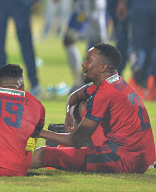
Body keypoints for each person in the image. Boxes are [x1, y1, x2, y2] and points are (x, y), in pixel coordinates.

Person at [31, 43, 155, 173]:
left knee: (44, 153)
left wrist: (38, 132)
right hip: (138, 156)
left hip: (124, 160)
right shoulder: (113, 80)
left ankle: (9, 163)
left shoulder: (104, 93)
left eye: (88, 60)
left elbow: (77, 140)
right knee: (82, 107)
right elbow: (75, 96)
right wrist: (69, 113)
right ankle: (76, 150)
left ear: (103, 67)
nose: (83, 64)